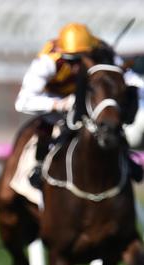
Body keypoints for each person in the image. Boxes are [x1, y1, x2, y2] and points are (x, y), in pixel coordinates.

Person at [15, 22, 144, 188]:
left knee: (110, 121)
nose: (77, 67)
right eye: (72, 61)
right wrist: (59, 104)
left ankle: (125, 158)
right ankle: (39, 166)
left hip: (89, 100)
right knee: (50, 120)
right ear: (62, 55)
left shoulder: (101, 52)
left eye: (82, 59)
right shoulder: (47, 62)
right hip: (57, 101)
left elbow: (128, 78)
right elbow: (23, 102)